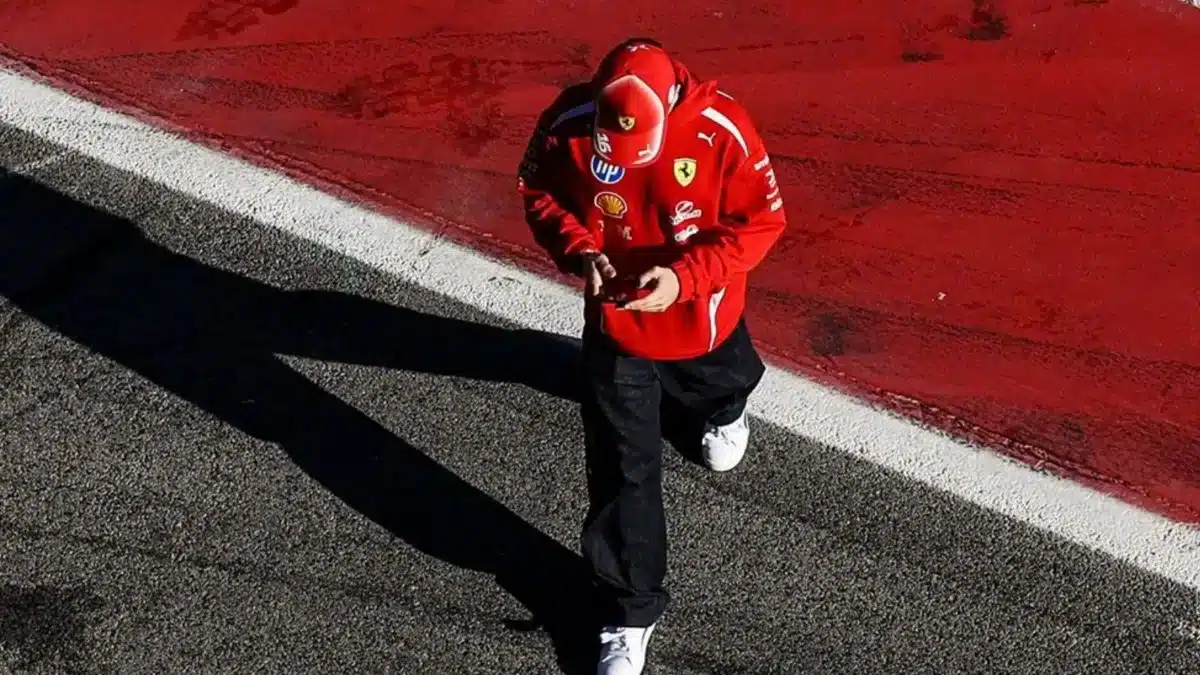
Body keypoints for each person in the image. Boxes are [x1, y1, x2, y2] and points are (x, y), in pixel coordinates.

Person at [516, 37, 787, 675]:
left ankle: (723, 409)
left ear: (671, 105)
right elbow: (538, 191)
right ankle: (629, 612)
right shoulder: (568, 124)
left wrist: (686, 278)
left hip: (701, 316)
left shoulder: (723, 128)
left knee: (720, 380)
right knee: (621, 466)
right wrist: (581, 250)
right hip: (618, 326)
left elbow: (761, 222)